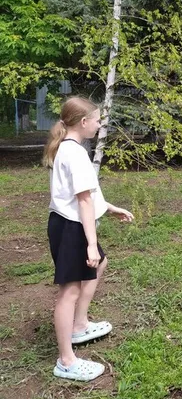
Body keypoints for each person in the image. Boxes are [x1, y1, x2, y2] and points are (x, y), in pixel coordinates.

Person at [43, 97, 134, 381]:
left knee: (100, 263)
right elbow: (82, 201)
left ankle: (80, 324)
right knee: (69, 291)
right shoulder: (75, 153)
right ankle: (66, 361)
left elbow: (85, 194)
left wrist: (110, 208)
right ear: (83, 122)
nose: (99, 125)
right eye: (97, 120)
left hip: (68, 224)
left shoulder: (69, 148)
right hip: (71, 227)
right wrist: (91, 244)